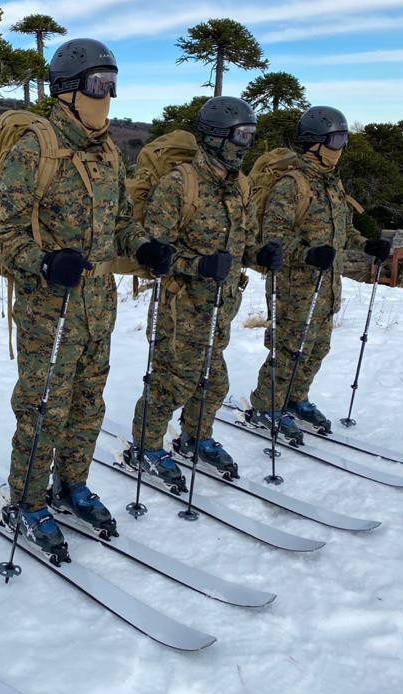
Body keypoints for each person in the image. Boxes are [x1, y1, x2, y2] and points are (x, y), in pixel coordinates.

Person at [0, 38, 173, 559]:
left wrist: (144, 247)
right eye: (97, 85)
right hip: (50, 310)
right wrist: (42, 262)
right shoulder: (36, 148)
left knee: (88, 404)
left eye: (113, 85)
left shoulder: (108, 152)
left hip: (97, 307)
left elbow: (119, 225)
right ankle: (25, 498)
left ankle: (72, 483)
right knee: (43, 407)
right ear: (66, 90)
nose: (106, 97)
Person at [124, 96, 279, 483]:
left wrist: (261, 254)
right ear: (214, 137)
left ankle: (196, 437)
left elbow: (240, 244)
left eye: (251, 135)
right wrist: (197, 265)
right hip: (181, 306)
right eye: (239, 135)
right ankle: (145, 445)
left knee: (214, 381)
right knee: (172, 381)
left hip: (221, 305)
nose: (245, 144)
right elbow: (154, 254)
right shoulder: (179, 184)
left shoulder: (239, 185)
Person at [245, 106, 390, 440]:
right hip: (294, 285)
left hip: (327, 285)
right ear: (314, 142)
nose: (340, 147)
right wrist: (307, 253)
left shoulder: (332, 182)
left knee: (316, 348)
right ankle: (265, 405)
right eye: (335, 140)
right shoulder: (290, 184)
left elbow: (341, 229)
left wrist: (366, 245)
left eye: (344, 139)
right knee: (288, 350)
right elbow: (274, 235)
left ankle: (296, 398)